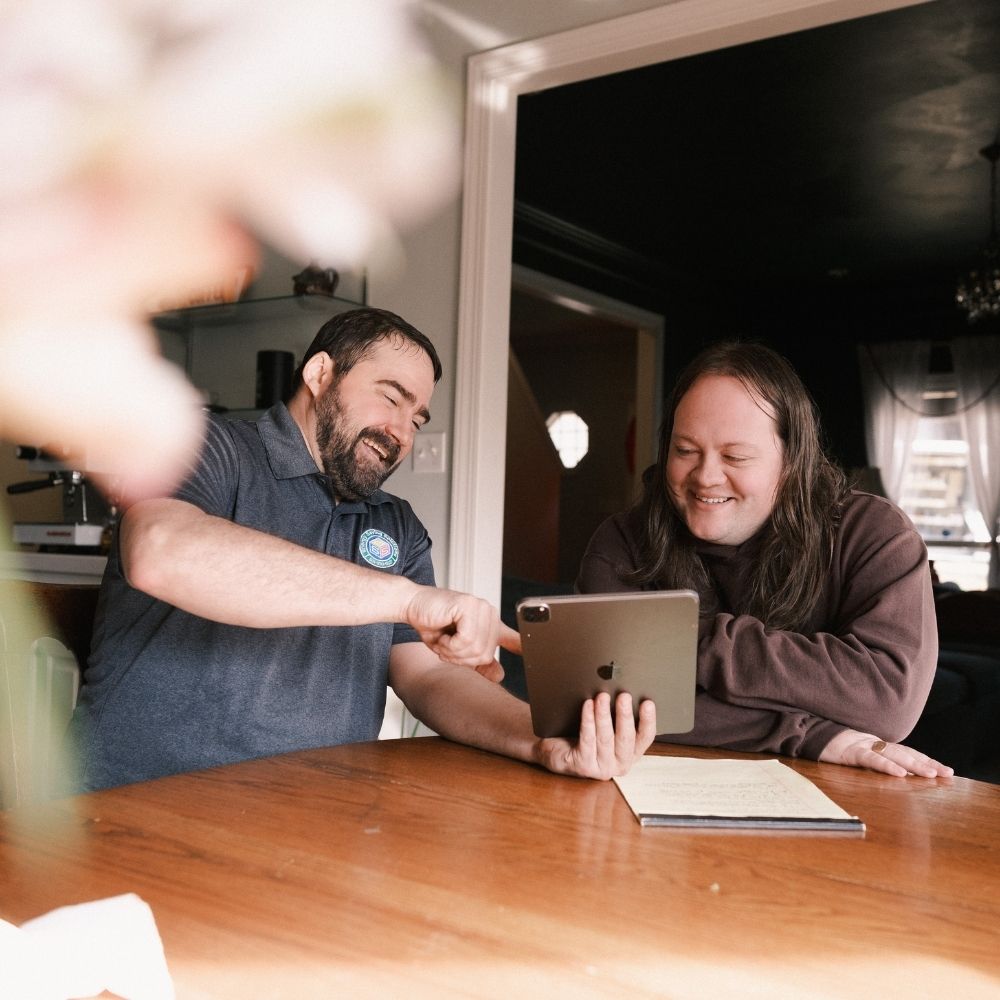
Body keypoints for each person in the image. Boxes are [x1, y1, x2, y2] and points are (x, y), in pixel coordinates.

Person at [67, 307, 655, 791]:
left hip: (316, 818)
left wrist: (544, 742)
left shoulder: (396, 526)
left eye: (417, 418)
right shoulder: (205, 445)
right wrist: (406, 600)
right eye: (390, 398)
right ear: (320, 373)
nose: (401, 432)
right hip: (137, 807)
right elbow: (161, 550)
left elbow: (428, 678)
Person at [577, 340, 952, 779]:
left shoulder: (875, 535)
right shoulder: (621, 542)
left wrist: (680, 642)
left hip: (835, 796)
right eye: (685, 451)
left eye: (735, 456)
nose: (705, 476)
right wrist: (807, 732)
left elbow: (887, 699)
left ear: (792, 460)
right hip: (646, 786)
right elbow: (604, 707)